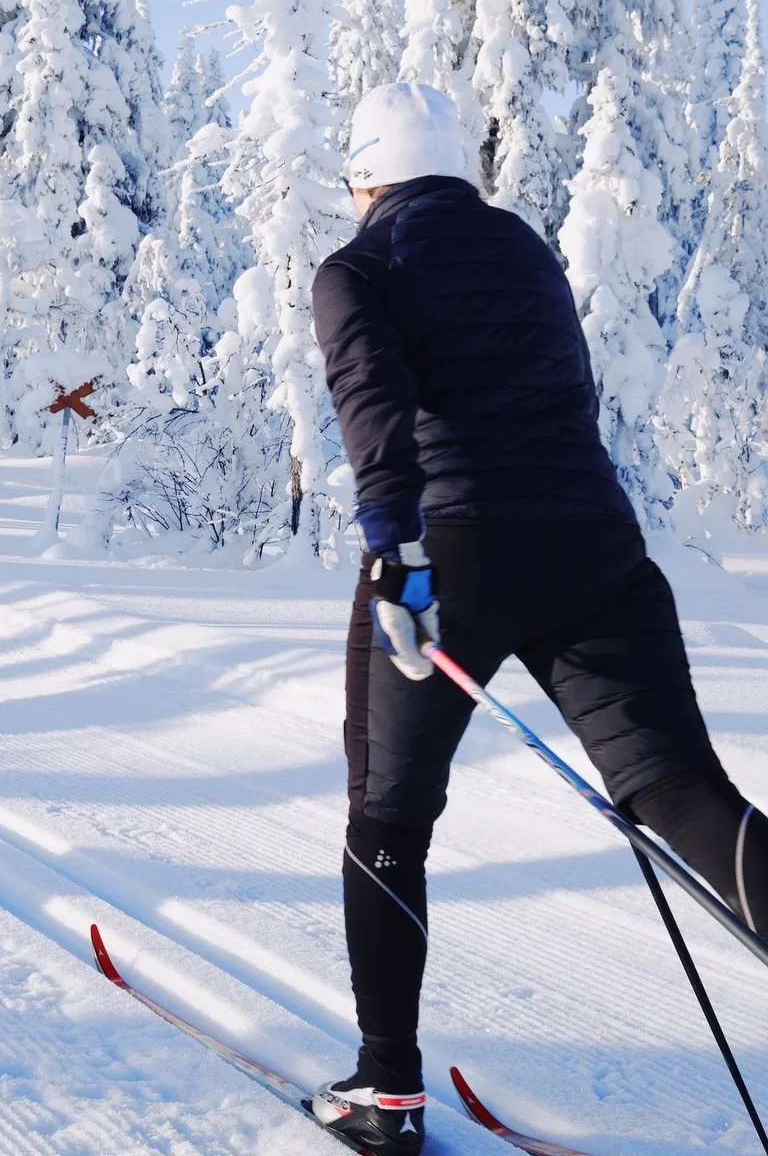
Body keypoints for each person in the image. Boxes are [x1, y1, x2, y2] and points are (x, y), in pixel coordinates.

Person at [304, 80, 768, 1154]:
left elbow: (372, 408)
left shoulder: (358, 268)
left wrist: (399, 559)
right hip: (597, 548)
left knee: (389, 815)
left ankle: (386, 1091)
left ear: (368, 176)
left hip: (455, 557)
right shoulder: (520, 245)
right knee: (680, 794)